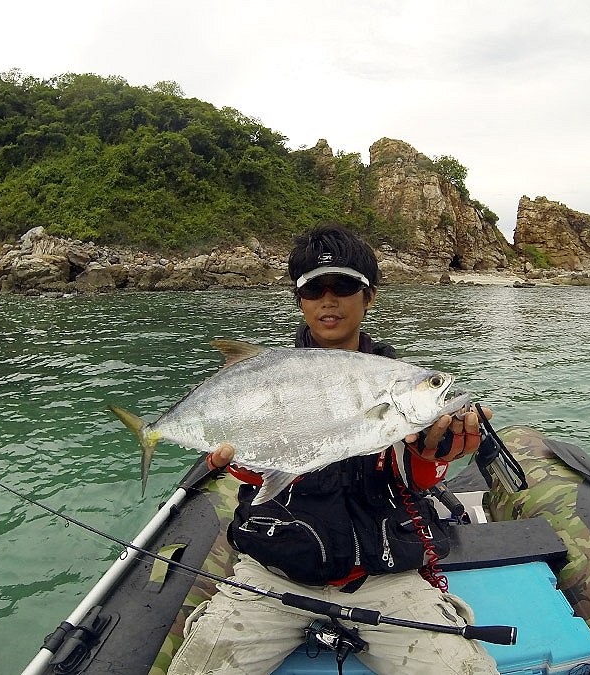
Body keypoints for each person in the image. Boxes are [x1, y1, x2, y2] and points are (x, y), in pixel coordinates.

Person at [167, 223, 498, 675]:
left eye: (343, 286)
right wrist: (244, 465)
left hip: (385, 576)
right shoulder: (267, 380)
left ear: (369, 296)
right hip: (272, 573)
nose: (328, 300)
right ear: (298, 299)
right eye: (313, 289)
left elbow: (414, 477)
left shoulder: (393, 377)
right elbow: (256, 466)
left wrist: (433, 456)